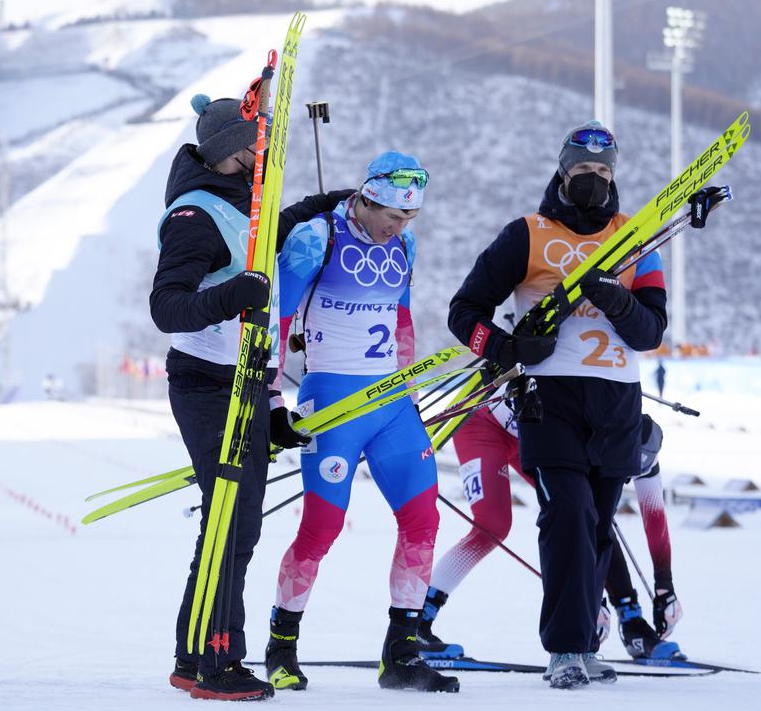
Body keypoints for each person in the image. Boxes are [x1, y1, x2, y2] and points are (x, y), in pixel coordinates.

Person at [446, 121, 668, 689]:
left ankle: (588, 642)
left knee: (595, 523)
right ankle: (566, 647)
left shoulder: (635, 238)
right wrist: (506, 347)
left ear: (613, 175)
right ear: (563, 172)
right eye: (582, 171)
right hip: (549, 396)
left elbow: (651, 333)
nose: (592, 180)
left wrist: (617, 299)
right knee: (566, 513)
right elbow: (463, 313)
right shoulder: (526, 234)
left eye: (602, 171)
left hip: (617, 397)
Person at [150, 90, 354, 701]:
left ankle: (193, 656)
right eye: (254, 149)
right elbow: (167, 308)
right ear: (227, 153)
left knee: (235, 530)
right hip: (206, 382)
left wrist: (327, 202)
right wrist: (235, 294)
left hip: (246, 384)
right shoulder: (194, 216)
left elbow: (267, 233)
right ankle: (218, 661)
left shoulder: (242, 200)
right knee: (229, 526)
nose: (262, 158)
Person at [262, 152, 458, 694]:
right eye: (393, 217)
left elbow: (401, 316)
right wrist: (274, 403)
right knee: (321, 529)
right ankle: (281, 646)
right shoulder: (314, 237)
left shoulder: (405, 245)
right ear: (368, 198)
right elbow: (275, 321)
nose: (399, 228)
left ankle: (401, 654)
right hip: (333, 404)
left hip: (392, 404)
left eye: (408, 220)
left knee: (422, 521)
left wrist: (410, 393)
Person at [418, 400, 684, 662]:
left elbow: (655, 519)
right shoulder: (593, 435)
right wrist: (585, 598)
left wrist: (665, 588)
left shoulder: (645, 444)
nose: (621, 481)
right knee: (493, 525)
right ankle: (419, 619)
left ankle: (632, 622)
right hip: (486, 426)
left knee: (591, 516)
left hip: (534, 432)